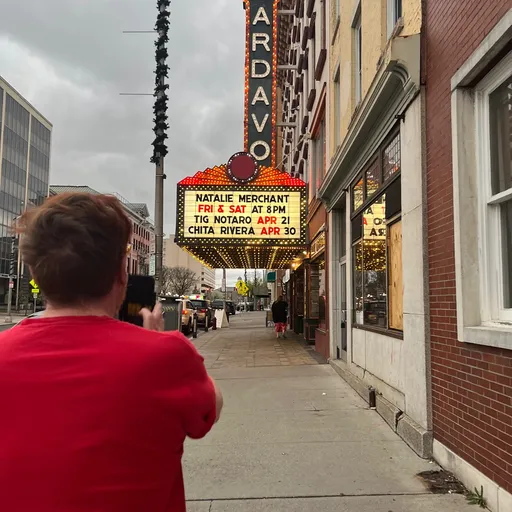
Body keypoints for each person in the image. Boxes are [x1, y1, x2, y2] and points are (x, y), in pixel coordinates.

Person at [0, 193, 223, 512]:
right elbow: (211, 408)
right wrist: (156, 344)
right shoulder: (166, 356)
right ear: (121, 273)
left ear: (34, 273)